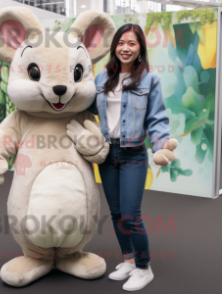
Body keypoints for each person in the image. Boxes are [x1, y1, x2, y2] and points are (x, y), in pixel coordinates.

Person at [88, 23, 175, 291]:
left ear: (140, 50)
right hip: (106, 153)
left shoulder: (150, 81)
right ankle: (128, 260)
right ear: (115, 47)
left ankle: (143, 267)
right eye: (121, 42)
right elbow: (87, 107)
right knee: (115, 213)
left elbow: (157, 119)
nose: (125, 47)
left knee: (130, 215)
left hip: (133, 154)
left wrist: (161, 146)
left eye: (132, 43)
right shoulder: (101, 79)